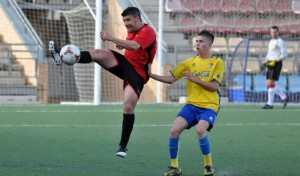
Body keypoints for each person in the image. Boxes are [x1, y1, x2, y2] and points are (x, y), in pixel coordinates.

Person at [49, 7, 157, 158]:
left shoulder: (148, 31)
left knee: (127, 106)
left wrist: (112, 38)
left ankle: (122, 146)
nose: (126, 23)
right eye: (124, 21)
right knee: (100, 53)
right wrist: (122, 44)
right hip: (125, 64)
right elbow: (131, 44)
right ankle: (61, 56)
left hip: (138, 74)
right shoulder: (133, 31)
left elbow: (135, 46)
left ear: (137, 19)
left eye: (128, 20)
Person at [148, 30, 224, 176]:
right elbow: (170, 79)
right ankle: (175, 167)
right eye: (196, 41)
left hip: (209, 105)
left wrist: (195, 79)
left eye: (201, 41)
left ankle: (208, 166)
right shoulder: (188, 63)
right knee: (174, 131)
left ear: (209, 44)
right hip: (191, 105)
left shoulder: (217, 63)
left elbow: (215, 87)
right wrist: (151, 75)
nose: (197, 43)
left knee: (200, 130)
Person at [261, 26, 288, 109]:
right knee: (268, 84)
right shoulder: (271, 41)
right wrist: (266, 61)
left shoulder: (280, 41)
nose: (273, 33)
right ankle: (284, 97)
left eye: (275, 32)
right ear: (270, 32)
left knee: (271, 83)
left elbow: (284, 54)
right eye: (272, 32)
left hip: (276, 64)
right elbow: (269, 53)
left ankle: (270, 104)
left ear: (278, 32)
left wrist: (276, 60)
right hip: (270, 63)